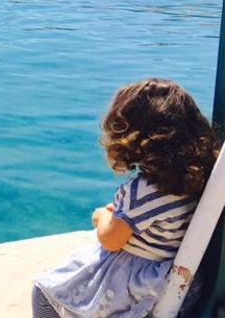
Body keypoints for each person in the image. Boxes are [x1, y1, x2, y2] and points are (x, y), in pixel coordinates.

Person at [32, 79, 218, 318]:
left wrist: (103, 216)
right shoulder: (195, 182)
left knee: (46, 290)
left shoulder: (144, 191)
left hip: (134, 281)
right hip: (171, 277)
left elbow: (111, 240)